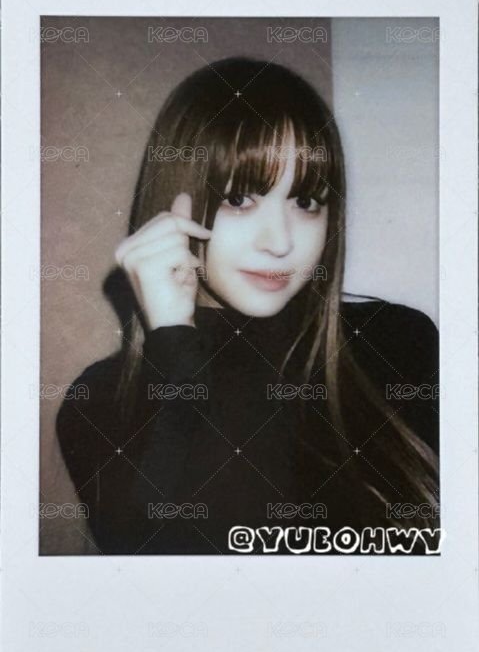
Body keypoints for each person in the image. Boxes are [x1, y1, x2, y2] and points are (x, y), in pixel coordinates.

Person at [56, 56, 440, 556]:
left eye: (306, 201)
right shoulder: (104, 402)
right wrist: (175, 348)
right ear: (176, 200)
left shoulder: (396, 342)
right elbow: (183, 573)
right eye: (239, 199)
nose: (280, 242)